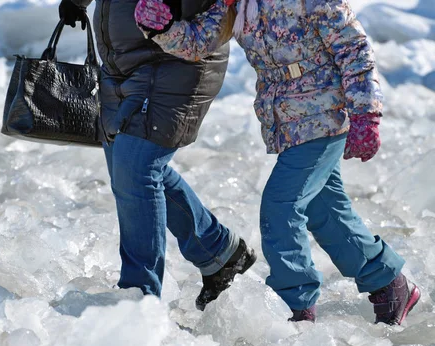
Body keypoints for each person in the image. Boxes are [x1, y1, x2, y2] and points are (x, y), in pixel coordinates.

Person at [136, 0, 421, 324]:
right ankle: (390, 283)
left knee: (280, 207)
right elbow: (198, 42)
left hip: (324, 119)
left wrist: (366, 114)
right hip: (290, 125)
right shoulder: (237, 5)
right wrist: (161, 28)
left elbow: (354, 50)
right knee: (324, 211)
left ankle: (295, 309)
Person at [58, 0, 257, 310]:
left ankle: (138, 299)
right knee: (130, 165)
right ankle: (217, 251)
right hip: (122, 62)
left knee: (136, 166)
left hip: (175, 58)